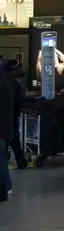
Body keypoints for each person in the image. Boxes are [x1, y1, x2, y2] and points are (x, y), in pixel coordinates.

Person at [4, 60, 27, 170]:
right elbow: (19, 100)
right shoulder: (13, 84)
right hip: (10, 117)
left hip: (6, 116)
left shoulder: (5, 82)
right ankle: (21, 162)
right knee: (14, 139)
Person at [0, 65, 14, 200]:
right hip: (5, 130)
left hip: (1, 131)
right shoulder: (6, 85)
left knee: (1, 162)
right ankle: (6, 188)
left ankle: (4, 189)